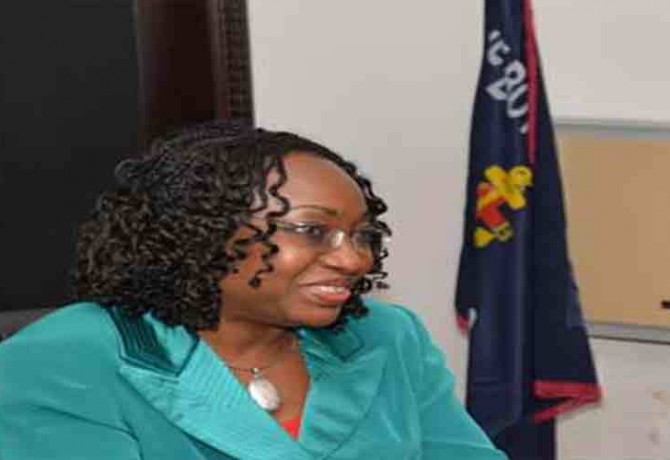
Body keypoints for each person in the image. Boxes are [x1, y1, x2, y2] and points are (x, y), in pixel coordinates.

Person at [0, 121, 507, 459]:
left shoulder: (387, 336)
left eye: (362, 235)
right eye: (312, 231)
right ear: (204, 231)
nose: (355, 260)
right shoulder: (66, 359)